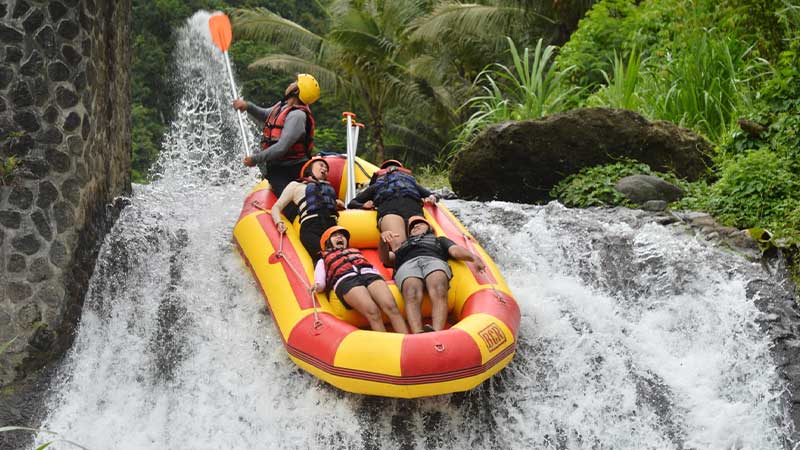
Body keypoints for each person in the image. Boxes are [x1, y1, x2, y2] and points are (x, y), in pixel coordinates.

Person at [234, 73, 320, 221]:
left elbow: (281, 147)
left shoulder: (298, 116)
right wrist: (247, 106)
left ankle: (300, 224)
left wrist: (256, 159)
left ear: (296, 91)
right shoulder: (284, 106)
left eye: (295, 83)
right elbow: (266, 114)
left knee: (289, 205)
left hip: (291, 169)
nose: (290, 84)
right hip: (280, 165)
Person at [382, 216, 485, 333]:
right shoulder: (402, 245)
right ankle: (417, 332)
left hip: (433, 259)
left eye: (420, 223)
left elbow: (455, 251)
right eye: (412, 227)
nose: (415, 226)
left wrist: (473, 258)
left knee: (439, 286)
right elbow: (386, 259)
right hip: (407, 264)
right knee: (411, 290)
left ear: (430, 228)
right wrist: (383, 242)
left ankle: (437, 331)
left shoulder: (439, 240)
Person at [313, 226, 409, 333]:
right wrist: (317, 286)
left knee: (392, 307)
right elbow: (320, 279)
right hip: (346, 279)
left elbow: (370, 266)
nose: (340, 237)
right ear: (327, 242)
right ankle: (385, 345)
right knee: (372, 312)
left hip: (369, 275)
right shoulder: (323, 259)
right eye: (335, 236)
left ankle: (407, 340)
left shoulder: (355, 252)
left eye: (342, 236)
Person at [347, 160, 437, 265]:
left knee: (424, 244)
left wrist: (431, 198)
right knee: (400, 248)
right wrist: (363, 205)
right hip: (390, 211)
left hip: (413, 211)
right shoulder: (376, 186)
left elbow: (432, 195)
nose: (392, 169)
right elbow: (352, 203)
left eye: (395, 167)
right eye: (389, 167)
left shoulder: (412, 183)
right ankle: (407, 270)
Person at [272, 157, 344, 261]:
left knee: (342, 259)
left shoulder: (328, 190)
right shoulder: (296, 186)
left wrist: (337, 203)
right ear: (310, 169)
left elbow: (325, 204)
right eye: (321, 165)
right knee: (325, 258)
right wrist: (278, 222)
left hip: (332, 227)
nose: (325, 169)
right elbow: (276, 207)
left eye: (327, 169)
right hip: (311, 228)